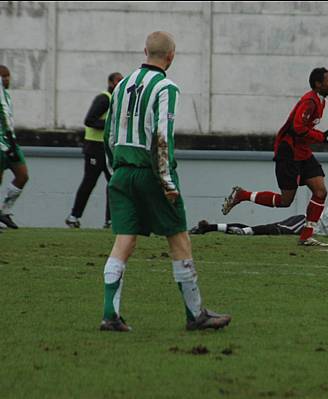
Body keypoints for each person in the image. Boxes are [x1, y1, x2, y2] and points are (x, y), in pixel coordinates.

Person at [100, 31, 231, 332]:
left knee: (124, 240)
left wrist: (116, 168)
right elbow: (162, 137)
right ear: (171, 56)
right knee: (179, 238)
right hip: (151, 174)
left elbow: (109, 134)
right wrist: (168, 182)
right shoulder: (166, 87)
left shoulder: (120, 86)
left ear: (145, 50)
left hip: (121, 172)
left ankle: (110, 314)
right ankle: (195, 314)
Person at [221, 67, 328, 247]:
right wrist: (322, 137)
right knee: (285, 201)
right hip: (289, 152)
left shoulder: (320, 101)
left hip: (303, 153)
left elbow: (304, 129)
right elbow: (298, 128)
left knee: (321, 191)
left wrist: (322, 136)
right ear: (318, 84)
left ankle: (306, 236)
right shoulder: (309, 101)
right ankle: (242, 195)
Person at [65, 72, 123, 229]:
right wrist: (110, 124)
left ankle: (110, 220)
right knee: (89, 182)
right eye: (118, 81)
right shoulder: (104, 99)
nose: (121, 84)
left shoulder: (117, 101)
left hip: (108, 148)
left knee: (113, 183)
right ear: (110, 83)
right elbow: (89, 120)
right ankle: (73, 216)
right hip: (94, 147)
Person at [192, 186, 328, 236]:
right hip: (303, 224)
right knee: (259, 230)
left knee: (257, 229)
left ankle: (208, 228)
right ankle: (208, 228)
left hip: (305, 225)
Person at [0, 65, 29, 230]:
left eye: (8, 76)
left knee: (23, 175)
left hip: (10, 141)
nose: (7, 80)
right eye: (3, 77)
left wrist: (12, 140)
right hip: (2, 142)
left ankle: (4, 210)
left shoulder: (7, 96)